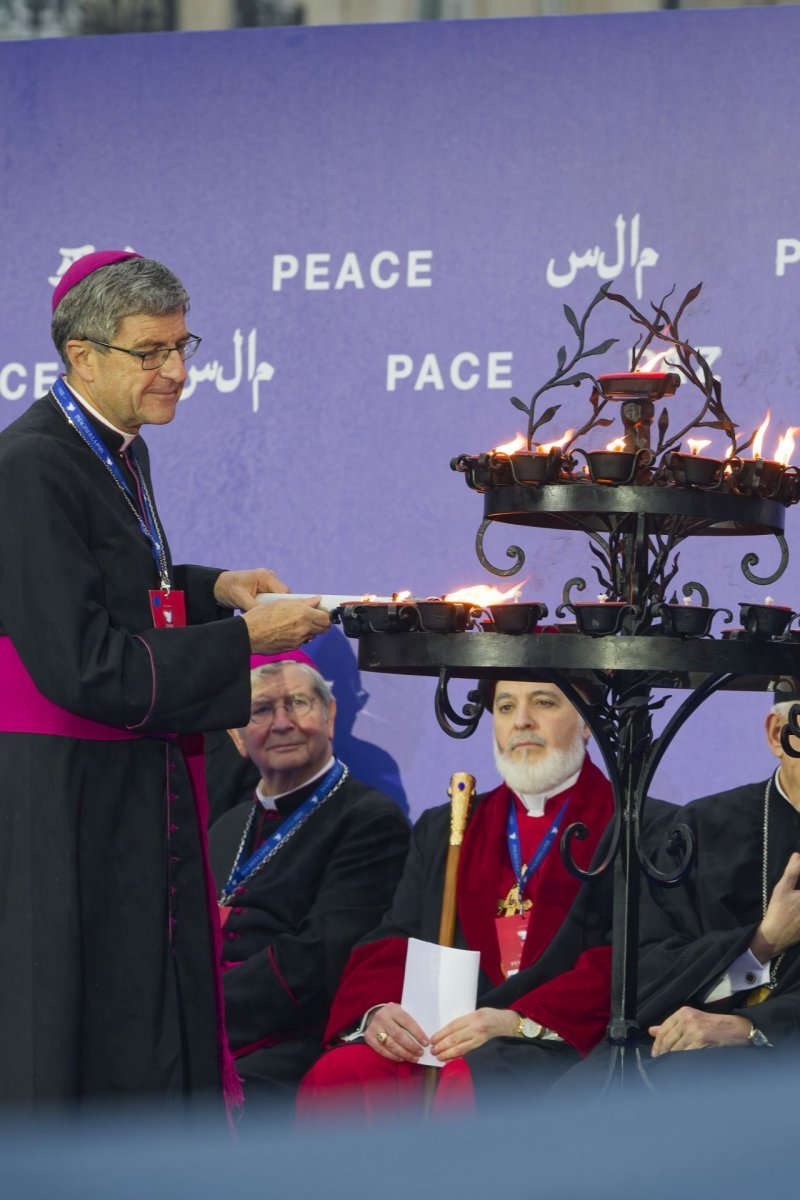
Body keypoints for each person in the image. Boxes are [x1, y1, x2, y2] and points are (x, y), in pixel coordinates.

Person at [0, 250, 330, 1109]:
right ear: (82, 356)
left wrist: (210, 587)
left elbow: (114, 581)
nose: (176, 371)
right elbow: (83, 663)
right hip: (66, 804)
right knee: (83, 1037)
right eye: (151, 352)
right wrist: (245, 640)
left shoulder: (114, 449)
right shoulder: (29, 467)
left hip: (124, 787)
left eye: (182, 346)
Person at [297, 678, 615, 1117]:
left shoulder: (629, 826)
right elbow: (397, 935)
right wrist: (376, 1013)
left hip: (558, 1042)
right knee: (343, 1076)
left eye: (543, 702)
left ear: (585, 724)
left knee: (469, 1082)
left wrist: (519, 1022)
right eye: (505, 707)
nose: (521, 721)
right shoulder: (448, 827)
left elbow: (627, 956)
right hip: (444, 1036)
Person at [208, 652, 410, 1110]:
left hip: (287, 1040)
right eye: (261, 710)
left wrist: (203, 1010)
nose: (282, 723)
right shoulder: (226, 826)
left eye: (298, 703)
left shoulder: (370, 821)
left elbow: (322, 958)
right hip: (204, 1028)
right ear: (237, 736)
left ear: (330, 715)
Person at [628, 692, 800, 1076]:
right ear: (778, 734)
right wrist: (762, 943)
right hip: (682, 1061)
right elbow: (643, 977)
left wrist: (752, 1028)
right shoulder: (699, 829)